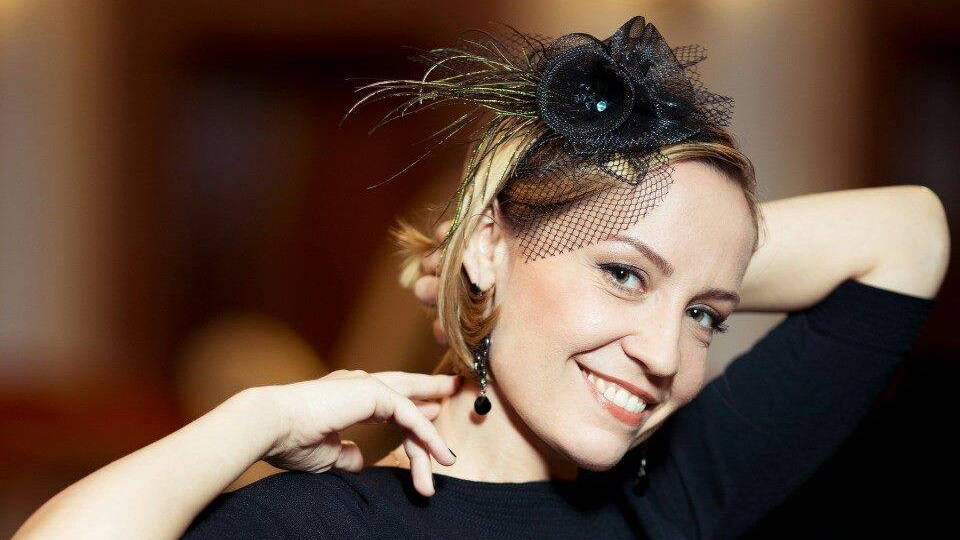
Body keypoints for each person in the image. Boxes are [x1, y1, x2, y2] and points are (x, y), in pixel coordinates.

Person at [14, 15, 947, 540]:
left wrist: (685, 256)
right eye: (623, 276)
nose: (668, 355)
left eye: (707, 314)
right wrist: (256, 418)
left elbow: (910, 232)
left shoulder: (672, 498)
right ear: (490, 245)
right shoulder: (331, 524)